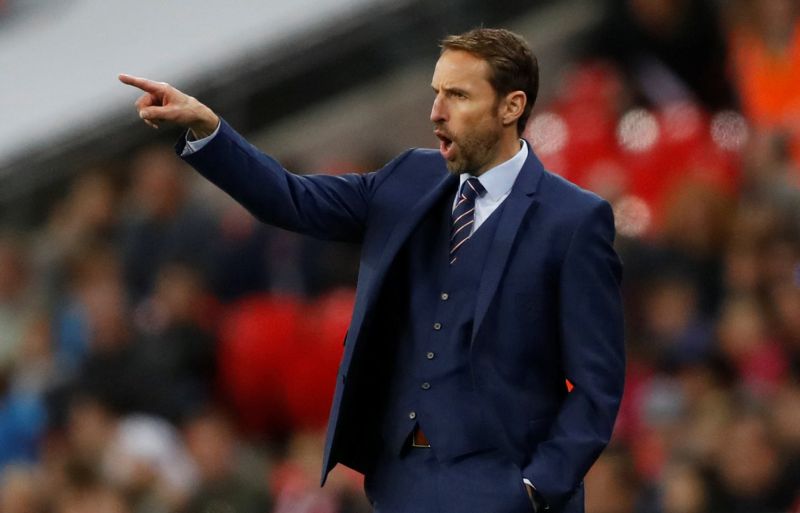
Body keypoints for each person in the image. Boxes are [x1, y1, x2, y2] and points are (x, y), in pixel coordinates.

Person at [119, 28, 625, 513]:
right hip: (404, 482)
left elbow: (596, 386)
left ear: (511, 106)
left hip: (504, 487)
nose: (436, 113)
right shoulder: (408, 177)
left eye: (458, 96)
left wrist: (537, 487)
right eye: (435, 93)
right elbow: (293, 200)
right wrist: (210, 130)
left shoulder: (573, 220)